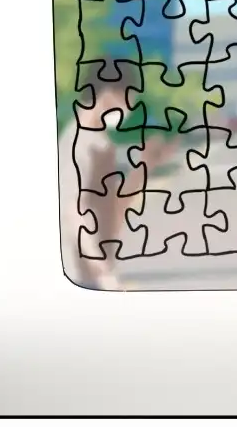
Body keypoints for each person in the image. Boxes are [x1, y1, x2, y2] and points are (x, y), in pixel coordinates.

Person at [58, 69, 174, 289]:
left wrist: (146, 165)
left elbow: (113, 209)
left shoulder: (101, 142)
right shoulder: (77, 142)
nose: (129, 108)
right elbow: (71, 210)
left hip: (94, 276)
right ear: (109, 94)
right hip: (79, 276)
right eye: (128, 99)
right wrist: (99, 268)